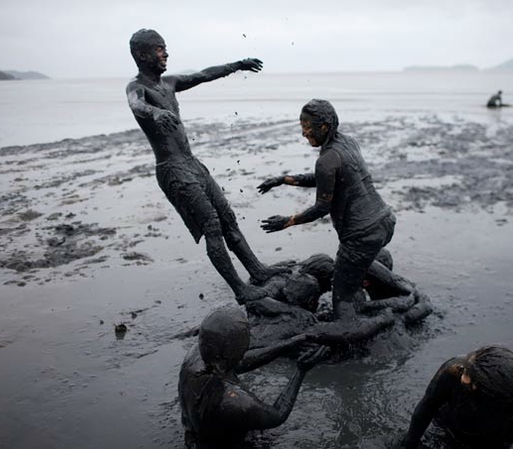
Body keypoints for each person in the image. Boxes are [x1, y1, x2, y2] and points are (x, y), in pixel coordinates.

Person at [126, 29, 281, 303]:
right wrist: (156, 112)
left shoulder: (169, 83)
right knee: (211, 225)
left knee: (228, 218)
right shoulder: (138, 88)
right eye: (160, 49)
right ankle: (241, 291)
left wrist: (237, 65)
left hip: (193, 164)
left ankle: (257, 271)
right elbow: (136, 105)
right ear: (142, 54)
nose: (166, 54)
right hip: (171, 168)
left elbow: (203, 74)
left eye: (165, 48)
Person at [257, 99, 396, 320]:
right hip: (385, 221)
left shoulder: (327, 159)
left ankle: (358, 336)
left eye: (307, 127)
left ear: (324, 127)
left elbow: (322, 208)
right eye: (301, 126)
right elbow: (327, 180)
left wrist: (286, 221)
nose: (303, 133)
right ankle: (384, 298)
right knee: (354, 274)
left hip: (361, 235)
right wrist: (283, 179)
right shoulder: (349, 143)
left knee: (341, 301)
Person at [178, 306, 327, 448]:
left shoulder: (196, 355)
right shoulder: (233, 399)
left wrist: (286, 346)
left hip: (195, 434)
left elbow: (239, 361)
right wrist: (301, 370)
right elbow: (277, 415)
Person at [402, 345, 513, 449]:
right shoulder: (454, 371)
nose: (462, 370)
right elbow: (427, 406)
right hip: (448, 426)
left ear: (484, 391)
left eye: (467, 373)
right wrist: (409, 444)